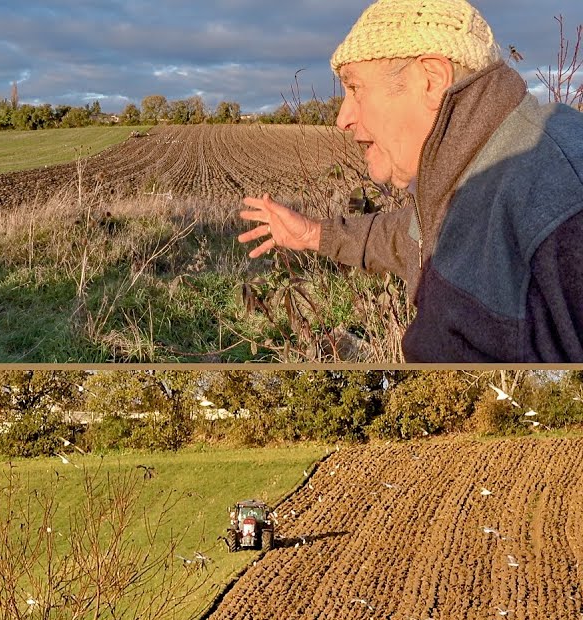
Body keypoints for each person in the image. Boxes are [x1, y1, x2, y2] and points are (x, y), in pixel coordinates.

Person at [237, 0, 583, 362]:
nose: (343, 118)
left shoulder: (560, 199)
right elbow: (409, 236)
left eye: (355, 89)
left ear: (431, 80)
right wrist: (312, 234)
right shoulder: (472, 176)